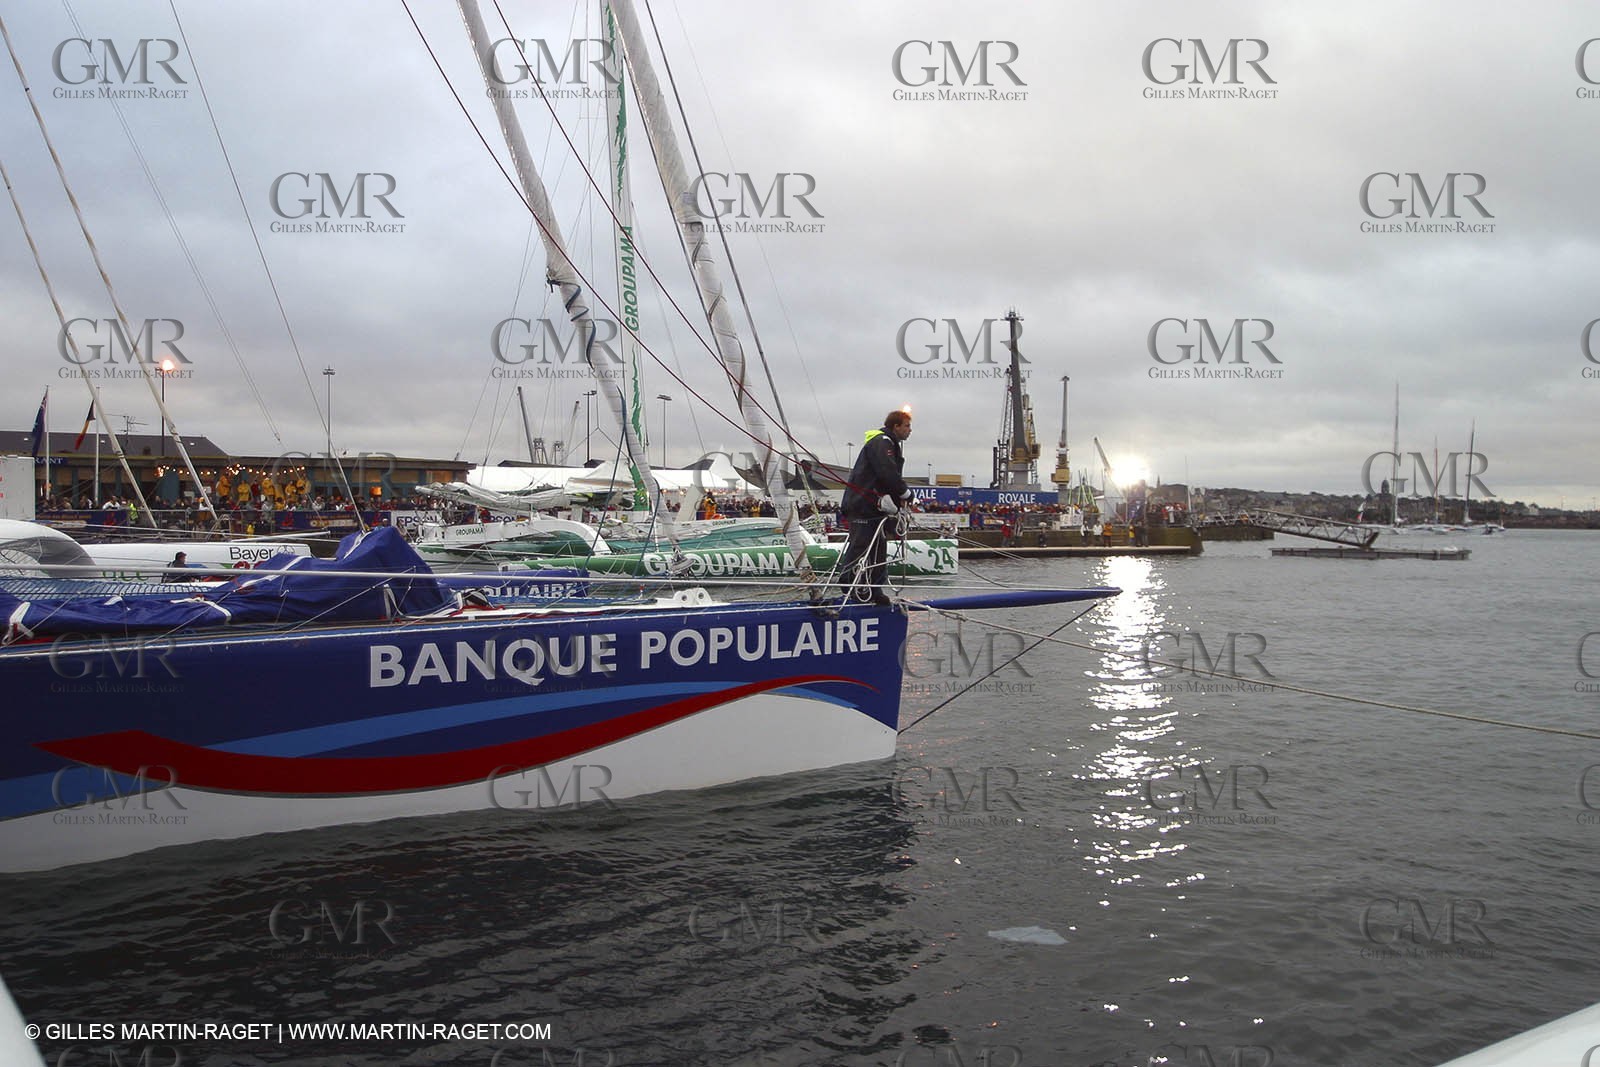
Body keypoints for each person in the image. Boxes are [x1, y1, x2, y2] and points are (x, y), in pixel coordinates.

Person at [837, 409, 912, 606]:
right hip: (862, 505)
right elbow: (886, 472)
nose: (910, 430)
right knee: (860, 546)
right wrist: (905, 493)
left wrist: (896, 503)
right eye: (907, 426)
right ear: (896, 426)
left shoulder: (890, 444)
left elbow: (885, 477)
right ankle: (850, 587)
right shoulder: (882, 442)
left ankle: (874, 590)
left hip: (875, 508)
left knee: (878, 549)